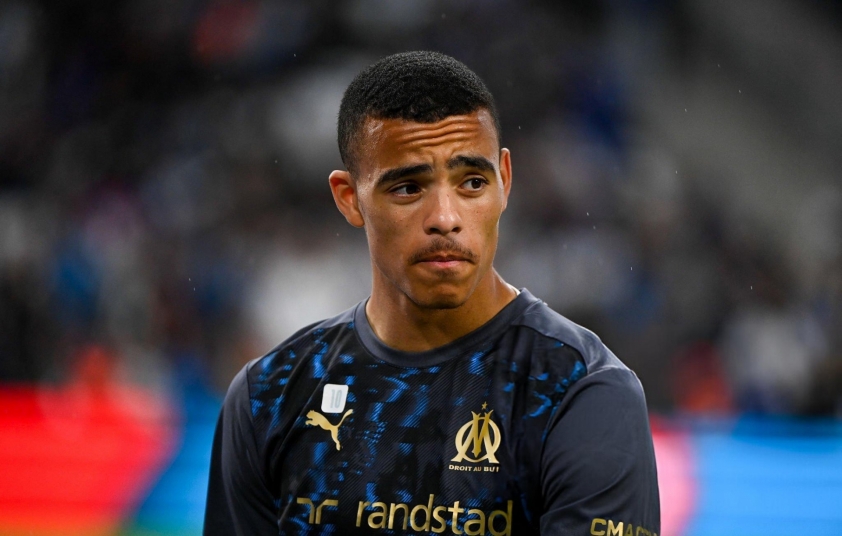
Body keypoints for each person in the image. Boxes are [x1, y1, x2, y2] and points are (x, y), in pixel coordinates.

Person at [204, 51, 660, 536]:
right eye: (407, 188)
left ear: (505, 181)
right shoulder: (269, 397)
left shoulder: (581, 391)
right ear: (349, 198)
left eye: (472, 182)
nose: (445, 217)